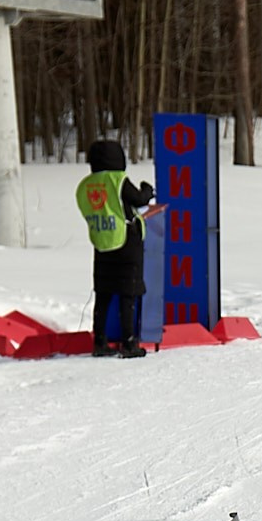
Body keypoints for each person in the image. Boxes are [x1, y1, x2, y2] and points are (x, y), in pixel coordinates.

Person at [77, 140, 155, 359]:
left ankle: (99, 342)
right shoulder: (117, 180)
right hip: (126, 244)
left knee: (103, 295)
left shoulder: (86, 185)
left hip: (101, 243)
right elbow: (137, 199)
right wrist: (147, 190)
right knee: (127, 294)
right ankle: (129, 343)